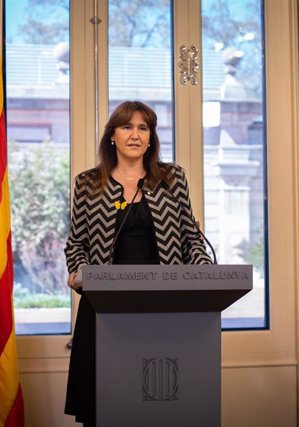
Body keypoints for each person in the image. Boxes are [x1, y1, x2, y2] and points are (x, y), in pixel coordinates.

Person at [63, 100, 212, 426]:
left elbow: (191, 239)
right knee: (104, 408)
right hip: (103, 306)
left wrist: (204, 274)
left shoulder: (172, 179)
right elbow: (77, 244)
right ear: (112, 136)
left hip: (163, 303)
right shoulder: (88, 183)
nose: (135, 134)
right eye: (127, 126)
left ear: (151, 137)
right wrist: (77, 271)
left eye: (143, 128)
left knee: (159, 404)